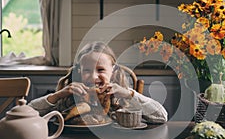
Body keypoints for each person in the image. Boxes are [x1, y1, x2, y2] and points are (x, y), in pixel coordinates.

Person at [28, 42, 168, 123]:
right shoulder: (68, 99)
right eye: (87, 70)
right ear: (79, 72)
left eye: (100, 70)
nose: (94, 77)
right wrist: (58, 95)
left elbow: (161, 117)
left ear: (112, 71)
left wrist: (129, 94)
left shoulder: (123, 99)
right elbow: (28, 113)